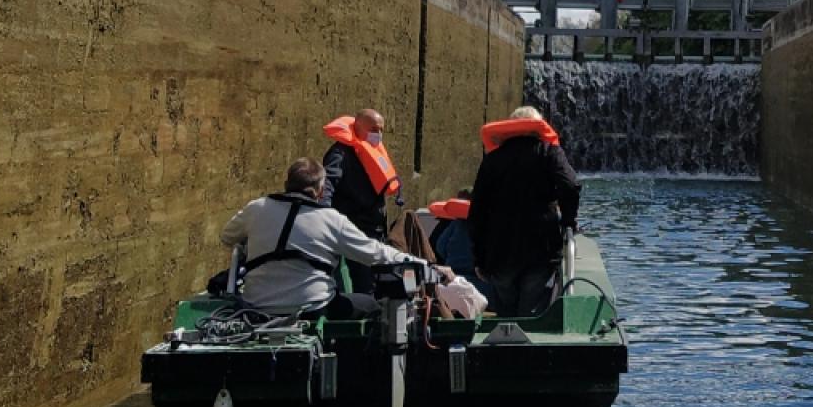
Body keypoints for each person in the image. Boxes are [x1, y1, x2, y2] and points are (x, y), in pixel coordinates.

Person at [219, 157, 423, 319]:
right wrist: (421, 263)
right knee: (370, 305)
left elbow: (227, 236)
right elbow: (376, 254)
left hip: (256, 306)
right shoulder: (331, 220)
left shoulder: (256, 208)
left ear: (286, 184)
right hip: (313, 307)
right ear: (320, 191)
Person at [468, 106, 581, 317]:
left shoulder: (492, 160)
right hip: (541, 247)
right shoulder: (549, 152)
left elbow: (477, 212)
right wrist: (568, 222)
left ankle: (505, 344)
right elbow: (571, 186)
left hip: (499, 251)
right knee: (531, 312)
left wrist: (479, 258)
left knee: (506, 313)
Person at [321, 108, 401, 289]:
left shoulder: (373, 152)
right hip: (353, 229)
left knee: (371, 284)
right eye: (373, 129)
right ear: (357, 127)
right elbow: (327, 184)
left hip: (373, 230)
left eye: (381, 130)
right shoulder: (340, 154)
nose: (378, 134)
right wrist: (323, 216)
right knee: (363, 285)